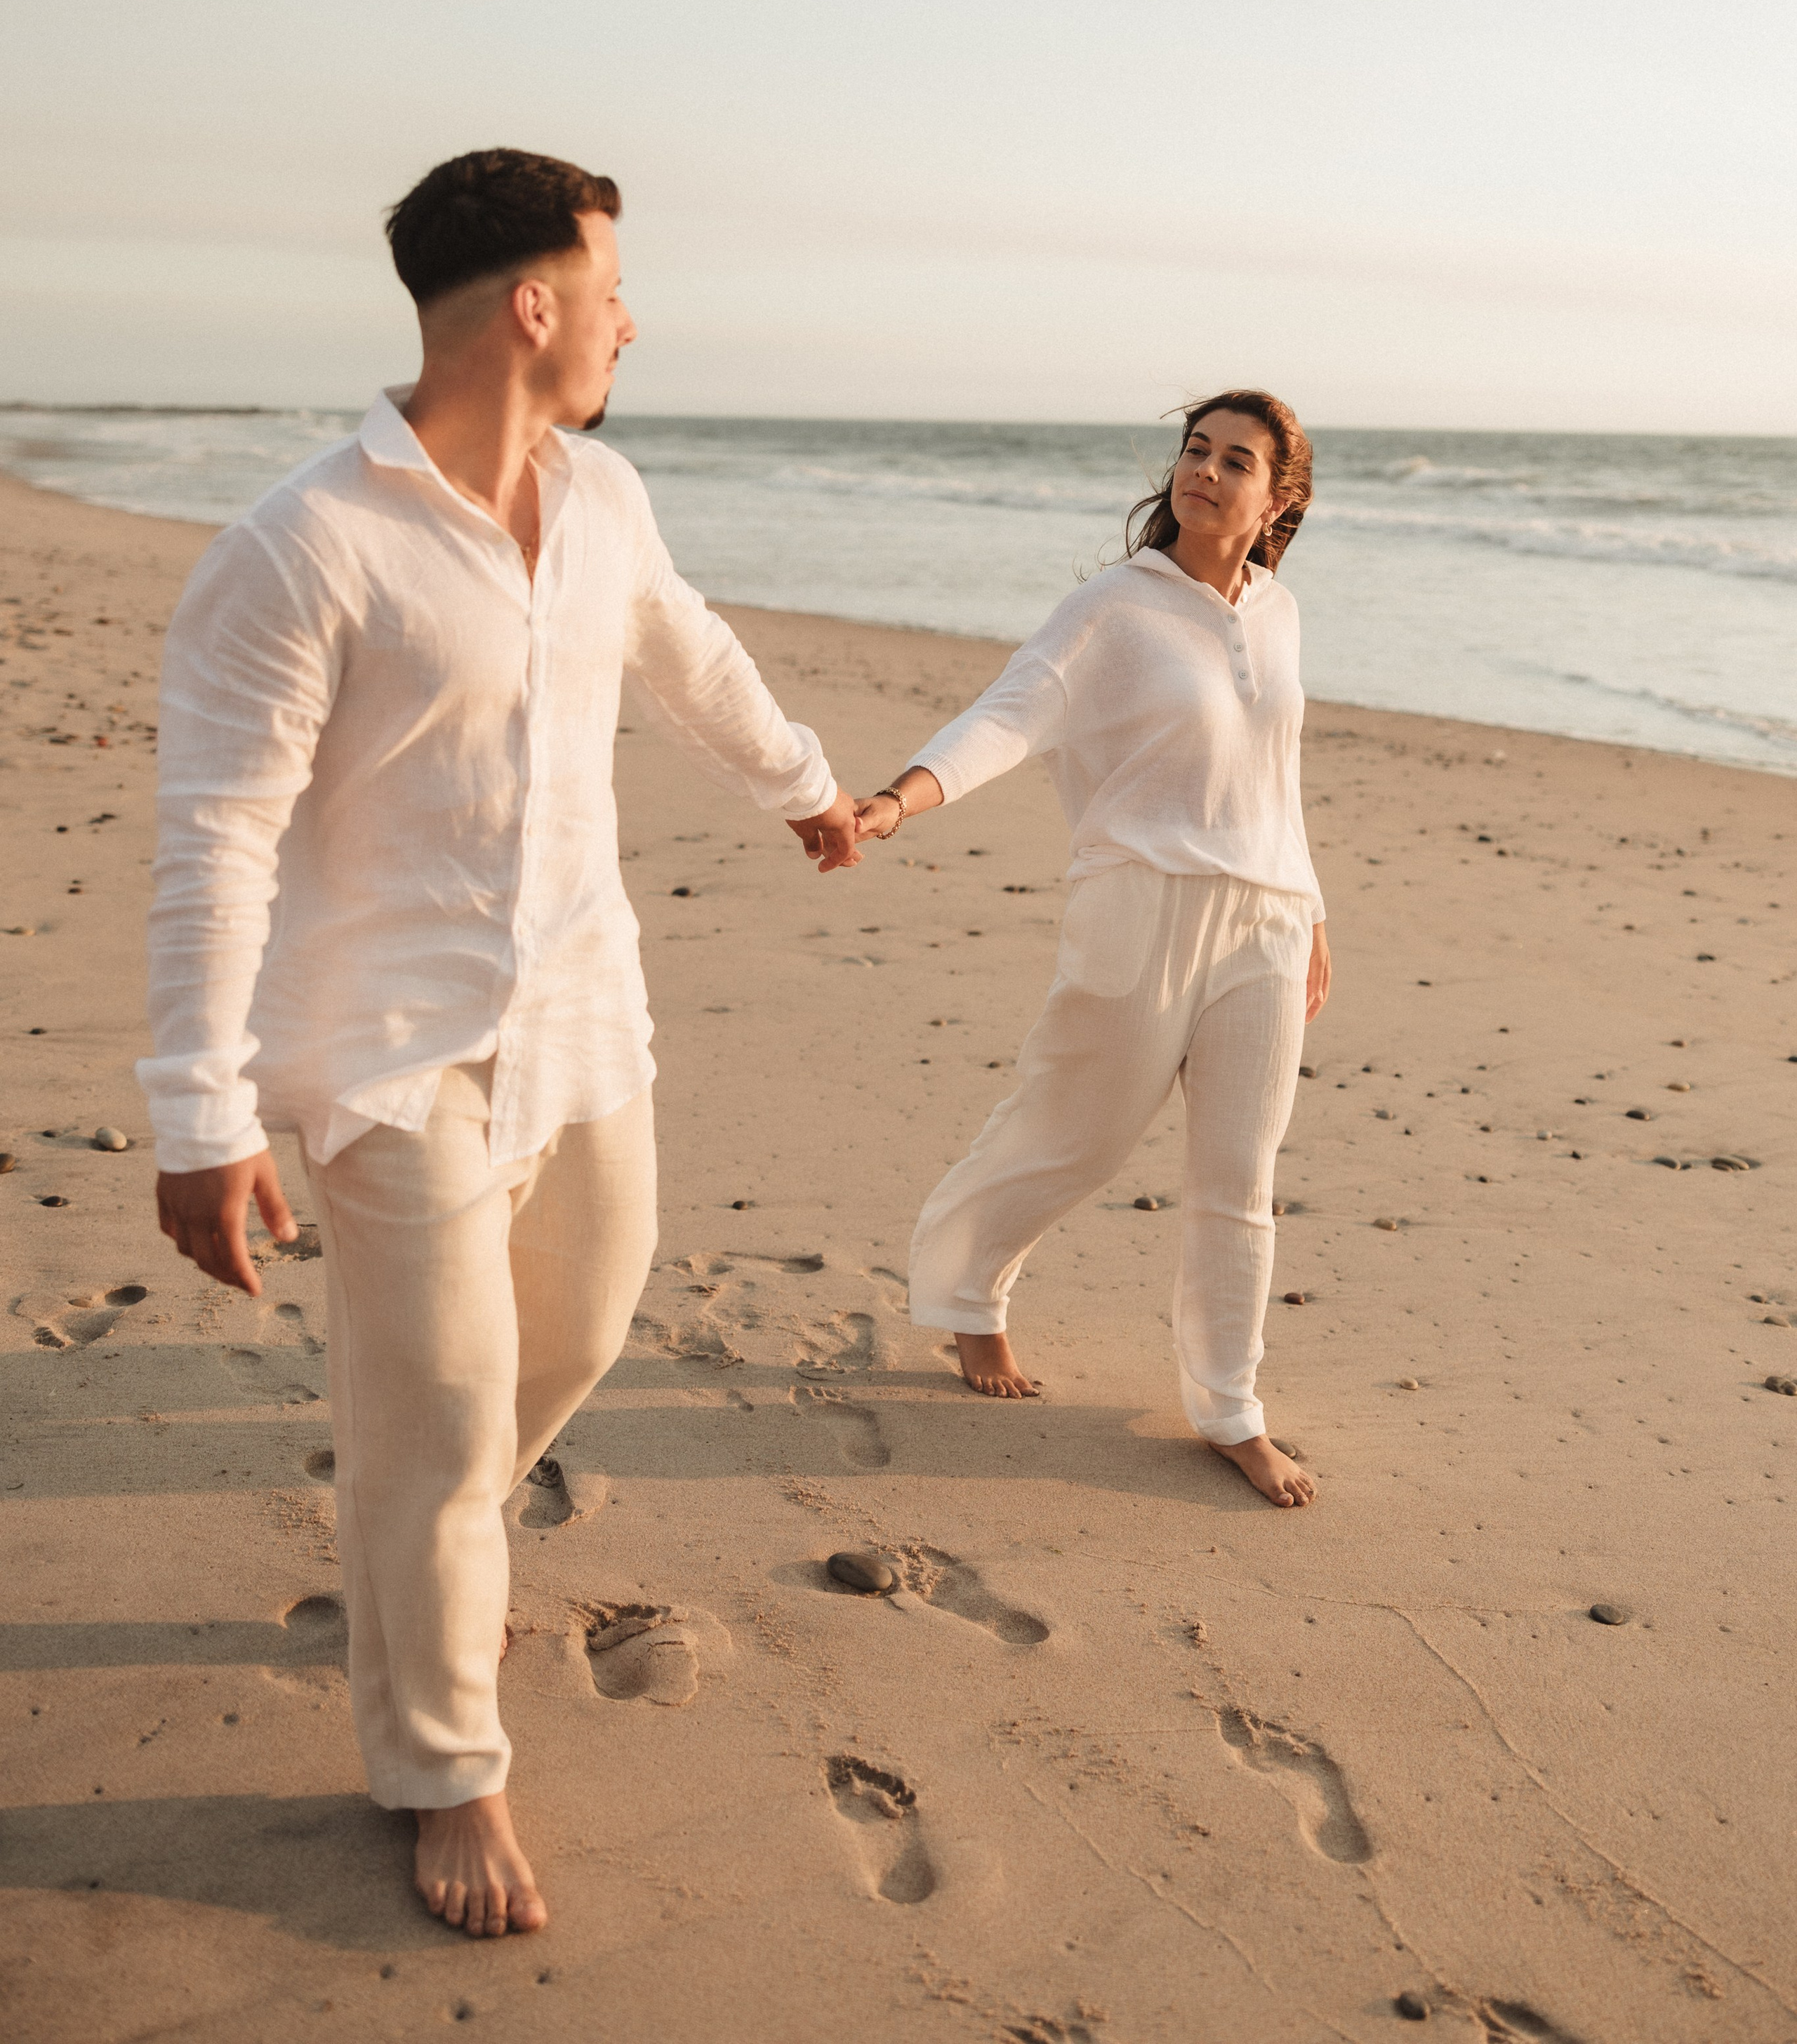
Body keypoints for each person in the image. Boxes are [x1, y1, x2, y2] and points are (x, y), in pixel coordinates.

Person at [140, 149, 861, 1937]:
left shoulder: (602, 494)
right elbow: (217, 840)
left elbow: (683, 650)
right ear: (535, 306)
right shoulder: (302, 546)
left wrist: (800, 783)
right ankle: (445, 1763)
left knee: (576, 1337)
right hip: (390, 1053)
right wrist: (197, 1111)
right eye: (613, 288)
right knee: (453, 1416)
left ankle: (421, 1543)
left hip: (580, 1013)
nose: (631, 321)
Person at [851, 391, 1331, 1510]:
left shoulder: (1279, 613)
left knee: (1241, 1179)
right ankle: (968, 1292)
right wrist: (899, 799)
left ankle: (1230, 1410)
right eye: (1197, 450)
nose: (1205, 471)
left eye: (1237, 461)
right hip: (1138, 908)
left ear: (1279, 499)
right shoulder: (1113, 609)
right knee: (1077, 1136)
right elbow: (1008, 716)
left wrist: (1309, 911)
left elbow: (1277, 781)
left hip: (1263, 917)